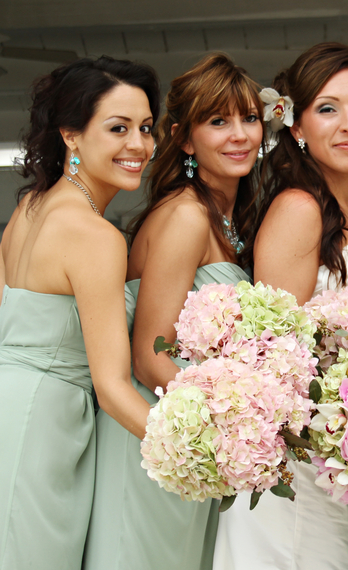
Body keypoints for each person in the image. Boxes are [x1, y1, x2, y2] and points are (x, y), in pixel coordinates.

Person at [0, 57, 159, 569]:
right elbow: (112, 388)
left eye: (146, 128)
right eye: (118, 128)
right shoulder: (95, 236)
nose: (139, 145)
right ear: (71, 136)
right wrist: (201, 450)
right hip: (32, 436)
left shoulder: (31, 208)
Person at [212, 42, 348, 570]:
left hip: (341, 458)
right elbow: (272, 357)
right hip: (300, 466)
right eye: (327, 108)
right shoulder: (298, 208)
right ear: (296, 128)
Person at [83, 53, 263, 570]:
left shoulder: (224, 219)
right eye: (218, 121)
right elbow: (147, 355)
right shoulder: (185, 215)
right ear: (185, 138)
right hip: (156, 437)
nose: (239, 135)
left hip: (183, 439)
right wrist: (223, 430)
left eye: (249, 118)